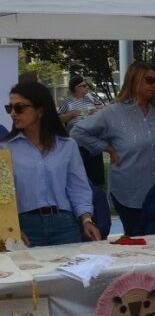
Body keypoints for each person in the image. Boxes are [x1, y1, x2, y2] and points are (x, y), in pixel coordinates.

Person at [71, 61, 155, 237]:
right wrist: (106, 148)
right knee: (137, 242)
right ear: (134, 80)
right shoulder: (113, 113)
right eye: (149, 80)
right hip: (129, 192)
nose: (154, 85)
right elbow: (78, 131)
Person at [2, 83, 100, 246]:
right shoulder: (5, 148)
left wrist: (86, 220)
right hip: (24, 228)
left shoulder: (67, 145)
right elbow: (3, 197)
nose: (13, 113)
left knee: (71, 271)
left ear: (40, 110)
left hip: (65, 225)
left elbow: (78, 187)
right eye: (9, 108)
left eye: (19, 108)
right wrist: (9, 228)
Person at [57, 74, 106, 186]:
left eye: (86, 85)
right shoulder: (68, 102)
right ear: (76, 88)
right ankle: (82, 183)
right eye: (83, 86)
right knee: (80, 163)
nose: (86, 88)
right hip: (76, 135)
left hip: (92, 132)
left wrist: (87, 111)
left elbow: (101, 108)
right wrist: (73, 114)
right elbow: (58, 118)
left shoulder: (91, 97)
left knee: (94, 161)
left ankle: (96, 184)